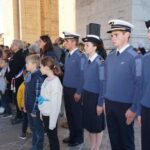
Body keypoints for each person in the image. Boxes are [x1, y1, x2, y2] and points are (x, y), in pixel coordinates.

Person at [104, 19, 142, 150]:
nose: (113, 38)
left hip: (125, 107)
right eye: (112, 35)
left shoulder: (134, 57)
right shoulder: (110, 57)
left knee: (126, 142)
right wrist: (104, 101)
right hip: (109, 104)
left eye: (116, 35)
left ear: (127, 35)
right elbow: (106, 80)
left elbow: (139, 85)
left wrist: (134, 108)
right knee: (114, 139)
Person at [82, 34, 105, 150]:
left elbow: (102, 84)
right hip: (87, 96)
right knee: (90, 125)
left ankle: (97, 147)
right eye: (85, 45)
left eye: (87, 45)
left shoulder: (100, 62)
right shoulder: (87, 60)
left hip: (96, 97)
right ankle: (92, 147)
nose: (85, 47)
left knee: (97, 126)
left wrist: (100, 103)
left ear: (95, 47)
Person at [62, 31, 84, 147]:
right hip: (67, 89)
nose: (64, 43)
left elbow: (82, 76)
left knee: (77, 115)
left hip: (75, 90)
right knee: (69, 114)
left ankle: (79, 138)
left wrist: (79, 91)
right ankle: (72, 135)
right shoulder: (67, 54)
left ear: (74, 42)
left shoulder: (80, 56)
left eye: (67, 41)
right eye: (65, 41)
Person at [39, 56, 63, 150]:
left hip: (51, 115)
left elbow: (56, 105)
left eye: (40, 66)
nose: (39, 68)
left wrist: (52, 122)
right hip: (45, 113)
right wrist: (41, 111)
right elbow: (42, 96)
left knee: (53, 137)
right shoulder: (46, 80)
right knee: (50, 136)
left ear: (46, 68)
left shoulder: (55, 83)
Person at [25, 54, 44, 150]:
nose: (26, 65)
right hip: (29, 107)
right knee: (33, 129)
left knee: (38, 131)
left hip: (35, 110)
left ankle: (38, 147)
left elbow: (39, 97)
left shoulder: (38, 78)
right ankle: (34, 146)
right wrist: (25, 105)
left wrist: (34, 110)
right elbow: (27, 93)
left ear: (34, 64)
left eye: (27, 63)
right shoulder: (29, 75)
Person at [5, 40, 26, 122]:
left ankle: (20, 116)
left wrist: (9, 78)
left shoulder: (20, 55)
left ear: (18, 46)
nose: (11, 45)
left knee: (18, 98)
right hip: (14, 80)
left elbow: (16, 69)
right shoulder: (15, 55)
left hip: (18, 80)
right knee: (16, 98)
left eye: (13, 44)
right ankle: (18, 114)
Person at [137, 20, 150, 150]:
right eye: (148, 31)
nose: (148, 35)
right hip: (147, 109)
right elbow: (141, 86)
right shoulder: (145, 59)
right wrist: (140, 112)